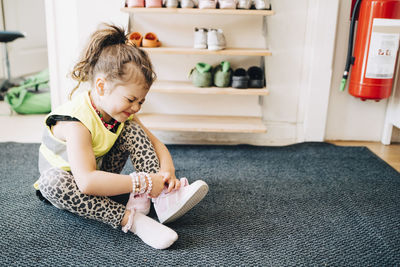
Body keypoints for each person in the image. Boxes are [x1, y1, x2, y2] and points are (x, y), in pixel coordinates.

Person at [34, 24, 209, 250]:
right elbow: (86, 182)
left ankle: (162, 199)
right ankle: (134, 220)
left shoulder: (117, 111)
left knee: (132, 129)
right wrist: (142, 182)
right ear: (101, 86)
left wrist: (167, 173)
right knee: (52, 183)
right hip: (74, 185)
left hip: (102, 174)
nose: (136, 107)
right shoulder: (75, 122)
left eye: (141, 101)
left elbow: (156, 144)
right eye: (130, 99)